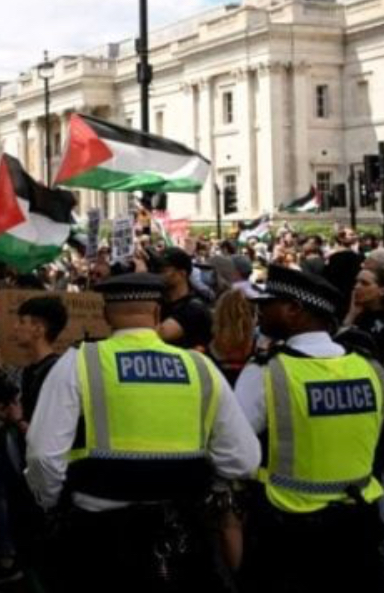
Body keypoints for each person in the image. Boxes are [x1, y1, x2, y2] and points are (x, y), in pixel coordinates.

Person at [26, 273, 259, 592]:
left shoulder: (78, 363)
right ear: (158, 313)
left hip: (99, 538)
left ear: (106, 315)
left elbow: (42, 455)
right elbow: (244, 459)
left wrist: (52, 502)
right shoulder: (200, 366)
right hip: (181, 534)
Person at [236, 266, 384, 591]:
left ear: (294, 309)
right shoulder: (369, 367)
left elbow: (236, 451)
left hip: (288, 529)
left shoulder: (266, 371)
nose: (259, 310)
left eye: (268, 303)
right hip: (360, 523)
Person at [156, 248, 213, 351]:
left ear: (182, 273)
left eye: (164, 271)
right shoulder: (160, 302)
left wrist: (141, 278)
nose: (159, 275)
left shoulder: (194, 307)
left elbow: (161, 334)